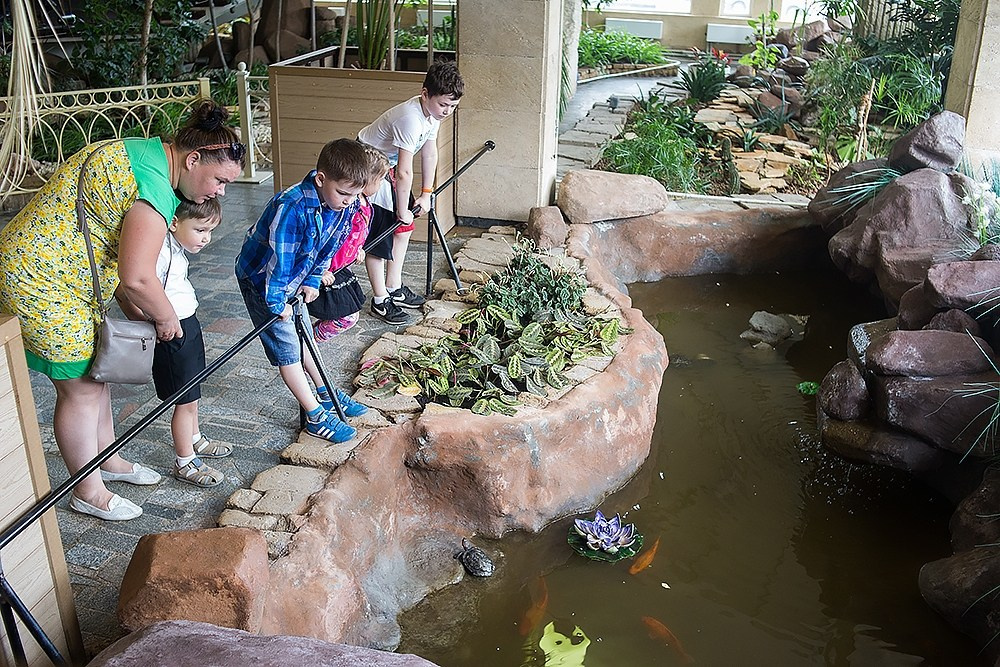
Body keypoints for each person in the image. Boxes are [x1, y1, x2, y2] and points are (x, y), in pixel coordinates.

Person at [0, 100, 245, 521]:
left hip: (62, 273)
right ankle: (87, 490)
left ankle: (107, 461)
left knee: (99, 374)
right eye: (220, 180)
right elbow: (137, 278)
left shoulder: (142, 150)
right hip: (41, 280)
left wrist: (137, 309)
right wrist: (166, 318)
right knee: (81, 388)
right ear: (192, 160)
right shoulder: (152, 192)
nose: (220, 192)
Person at [235, 138, 370, 445]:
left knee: (305, 334)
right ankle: (314, 416)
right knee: (288, 348)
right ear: (321, 179)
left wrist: (312, 280)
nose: (350, 201)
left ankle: (325, 392)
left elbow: (329, 246)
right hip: (263, 281)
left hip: (295, 278)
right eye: (344, 193)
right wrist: (276, 303)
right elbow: (279, 263)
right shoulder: (292, 205)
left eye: (355, 194)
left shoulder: (343, 202)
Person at [117, 199, 231, 488]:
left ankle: (195, 438)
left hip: (185, 322)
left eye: (210, 231)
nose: (206, 238)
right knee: (184, 400)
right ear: (174, 223)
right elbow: (128, 289)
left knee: (194, 391)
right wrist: (147, 321)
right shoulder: (159, 251)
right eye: (200, 230)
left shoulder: (176, 247)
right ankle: (185, 460)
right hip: (170, 331)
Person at [358, 60, 464, 325]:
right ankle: (380, 300)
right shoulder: (410, 118)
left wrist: (427, 193)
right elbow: (405, 171)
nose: (447, 111)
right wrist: (402, 209)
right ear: (425, 93)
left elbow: (430, 152)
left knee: (403, 229)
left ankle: (394, 287)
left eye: (452, 106)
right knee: (379, 236)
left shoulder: (433, 115)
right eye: (443, 105)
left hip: (388, 166)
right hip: (368, 167)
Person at [312, 146, 391, 342]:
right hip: (326, 270)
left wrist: (358, 248)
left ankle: (308, 342)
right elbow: (325, 238)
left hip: (339, 267)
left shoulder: (361, 204)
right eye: (381, 180)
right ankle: (310, 342)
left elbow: (354, 233)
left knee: (348, 314)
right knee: (345, 316)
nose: (382, 185)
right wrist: (321, 270)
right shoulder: (343, 205)